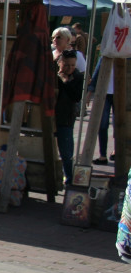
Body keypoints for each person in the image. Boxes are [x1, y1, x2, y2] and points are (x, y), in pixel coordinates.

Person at [55, 49, 83, 186]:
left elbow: (76, 96)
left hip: (66, 118)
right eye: (66, 65)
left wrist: (65, 81)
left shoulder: (77, 77)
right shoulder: (53, 74)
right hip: (51, 116)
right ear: (60, 63)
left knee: (66, 151)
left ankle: (70, 178)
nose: (70, 68)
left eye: (72, 65)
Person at [88, 57, 116, 165]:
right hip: (104, 92)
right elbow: (97, 70)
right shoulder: (107, 52)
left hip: (121, 93)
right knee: (102, 124)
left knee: (118, 125)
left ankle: (116, 150)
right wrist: (90, 91)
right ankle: (102, 155)